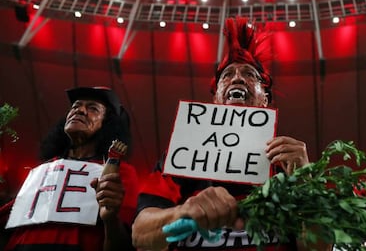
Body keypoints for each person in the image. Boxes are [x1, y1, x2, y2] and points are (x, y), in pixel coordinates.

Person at [131, 17, 331, 251]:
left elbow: (319, 247)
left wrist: (307, 184)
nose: (237, 78)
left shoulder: (288, 164)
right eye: (227, 75)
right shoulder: (180, 158)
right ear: (215, 99)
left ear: (264, 100)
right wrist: (183, 212)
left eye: (249, 74)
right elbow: (140, 235)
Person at [0, 86, 140, 251]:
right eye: (75, 106)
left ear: (108, 124)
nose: (80, 110)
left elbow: (124, 242)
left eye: (93, 108)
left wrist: (111, 219)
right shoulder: (43, 169)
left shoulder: (119, 172)